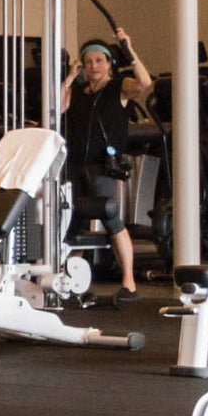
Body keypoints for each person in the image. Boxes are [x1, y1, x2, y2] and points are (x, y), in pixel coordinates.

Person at [60, 34, 152, 298]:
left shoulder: (119, 87)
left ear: (109, 63)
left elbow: (145, 83)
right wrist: (70, 76)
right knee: (73, 222)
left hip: (103, 166)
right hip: (76, 164)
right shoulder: (77, 90)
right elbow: (55, 107)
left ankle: (129, 282)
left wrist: (129, 49)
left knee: (111, 219)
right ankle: (68, 280)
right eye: (88, 61)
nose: (93, 66)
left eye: (99, 60)